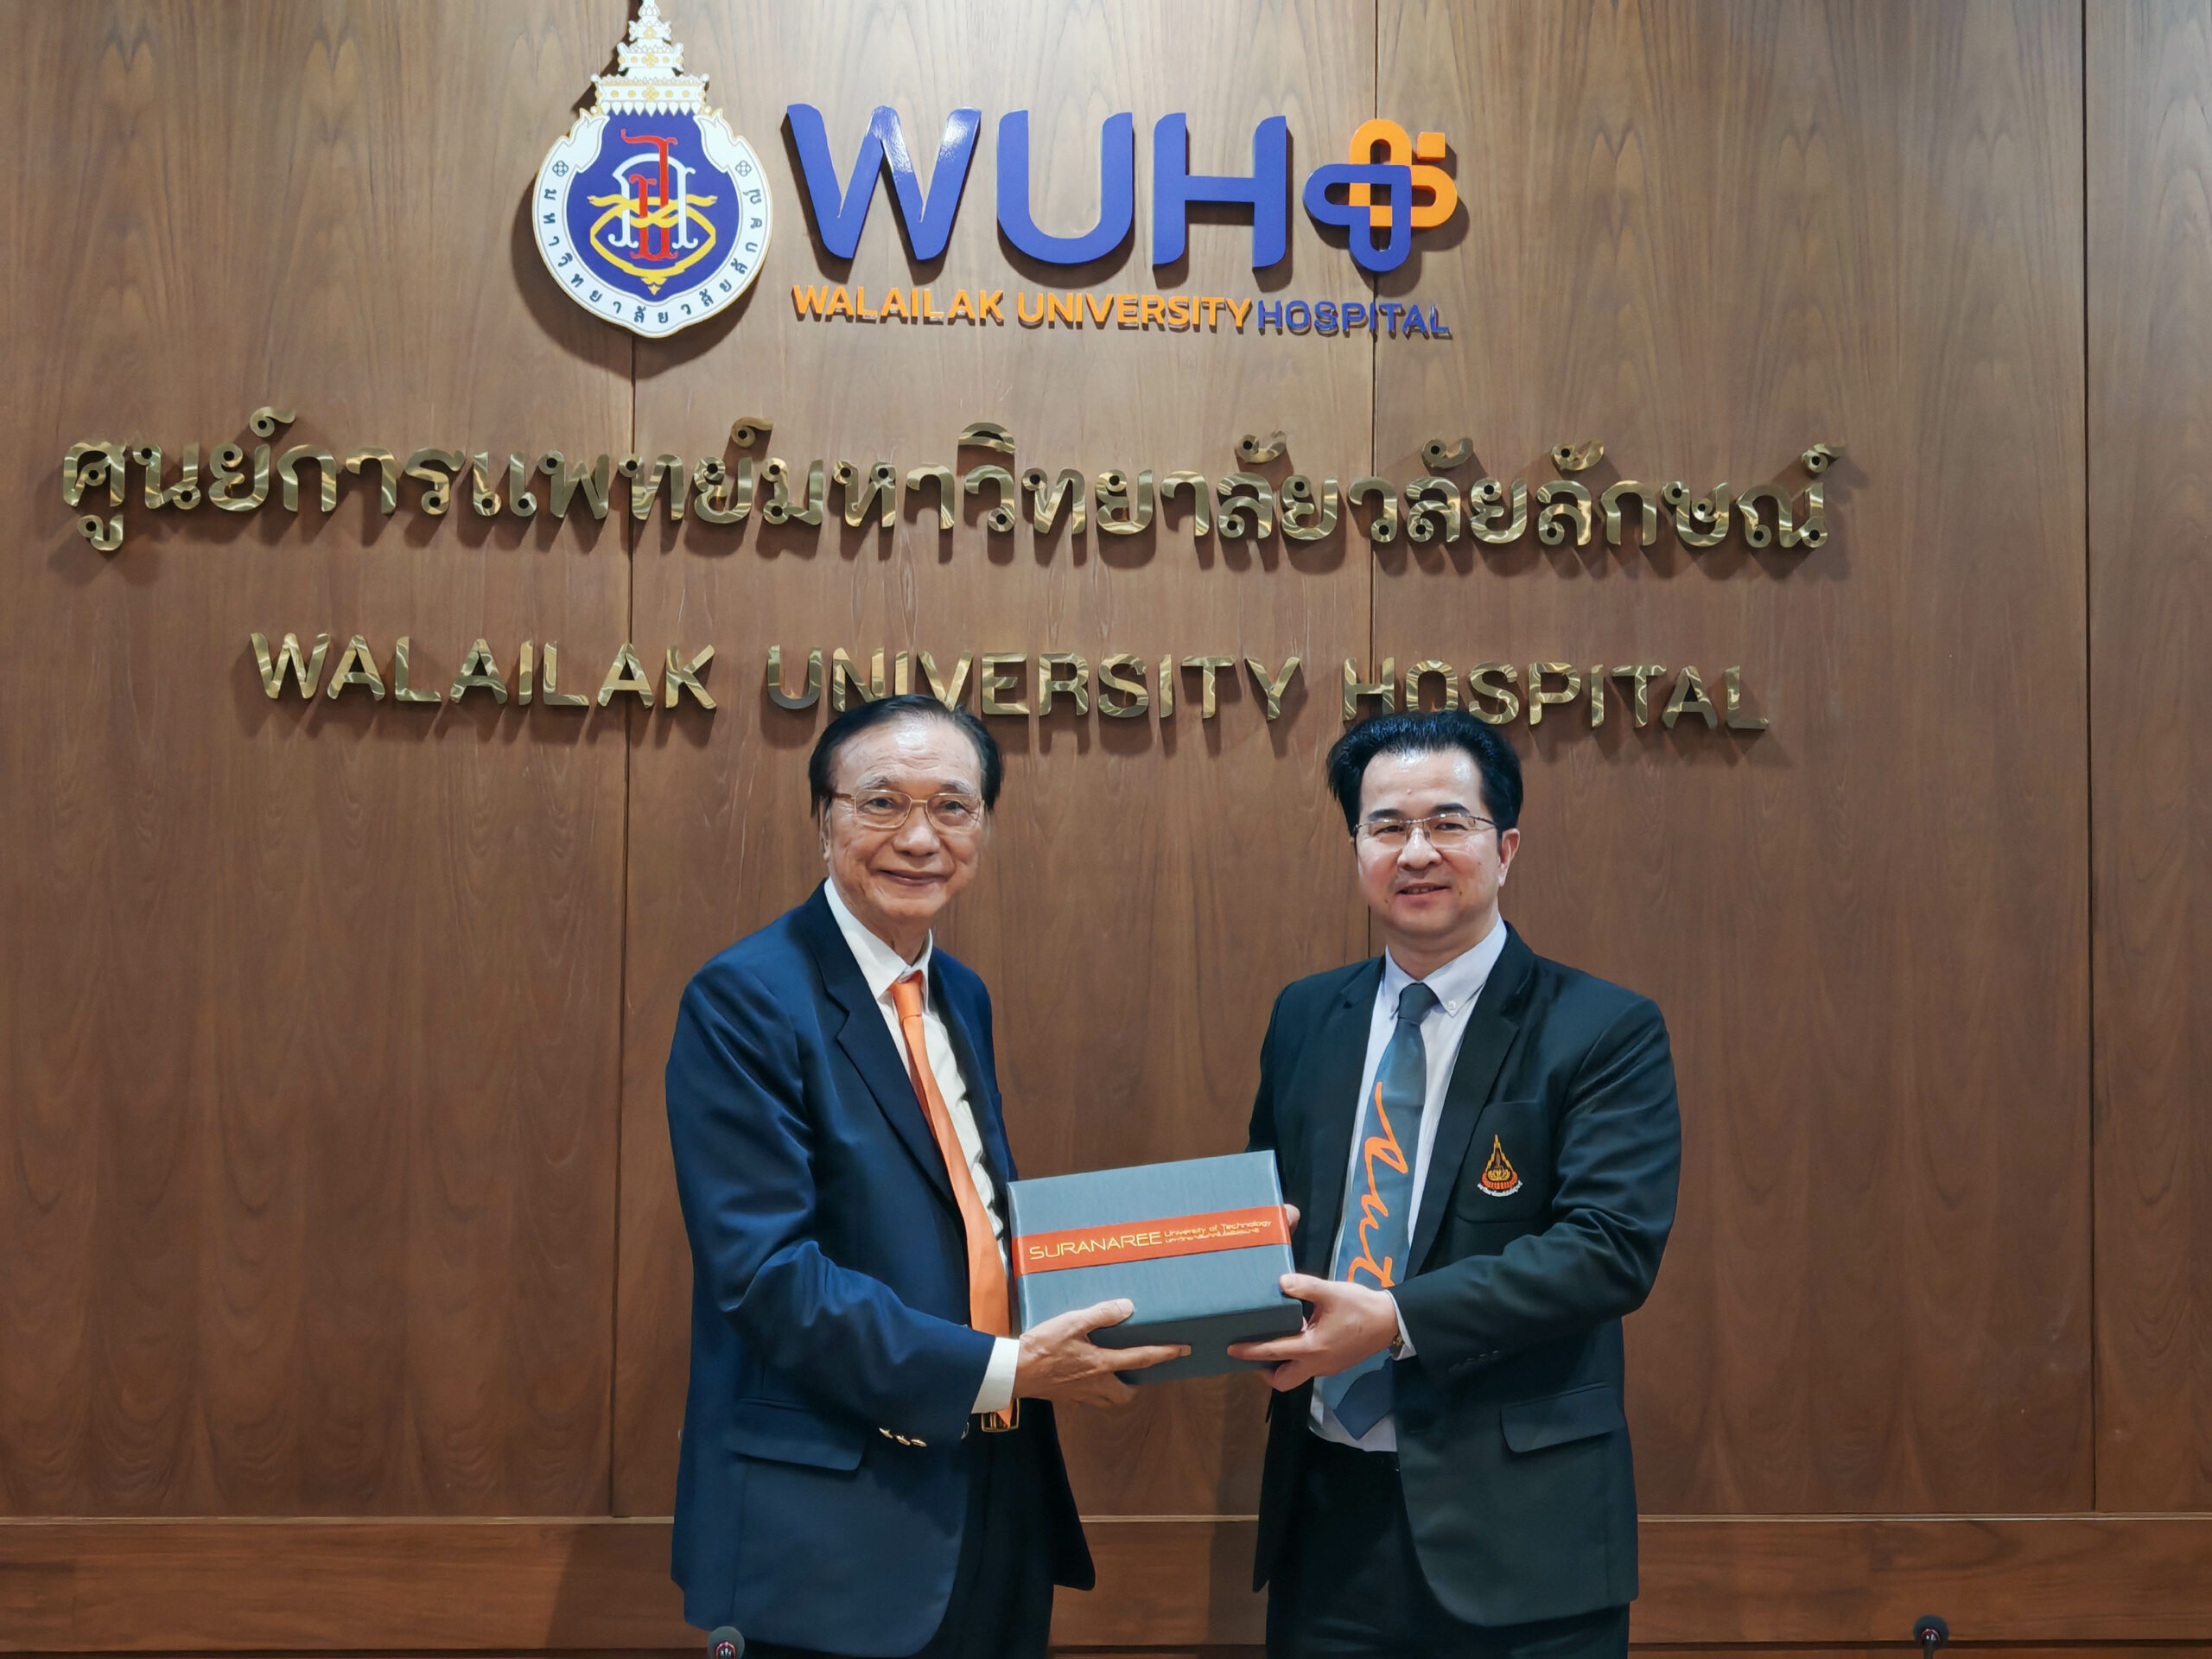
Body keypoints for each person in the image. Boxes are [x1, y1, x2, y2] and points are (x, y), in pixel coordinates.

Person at [664, 693, 1186, 1659]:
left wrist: (1190, 1269)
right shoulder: (745, 997)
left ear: (983, 826)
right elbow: (767, 1277)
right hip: (834, 1525)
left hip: (996, 1490)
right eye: (881, 803)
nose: (919, 837)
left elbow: (970, 1218)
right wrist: (1005, 1370)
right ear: (823, 818)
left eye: (952, 807)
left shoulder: (957, 993)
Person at [1229, 709, 1681, 1659]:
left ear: (1505, 847)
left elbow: (1607, 1251)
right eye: (1386, 826)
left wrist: (1394, 1319)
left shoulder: (1602, 1027)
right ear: (1356, 848)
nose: (1416, 852)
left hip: (1522, 1532)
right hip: (1328, 1516)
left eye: (1448, 823)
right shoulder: (1306, 1016)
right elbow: (1267, 1210)